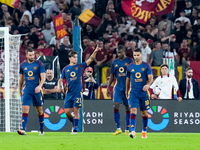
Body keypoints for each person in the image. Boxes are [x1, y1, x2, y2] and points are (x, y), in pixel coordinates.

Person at [58, 45, 101, 134]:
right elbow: (61, 79)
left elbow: (90, 59)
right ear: (70, 58)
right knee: (67, 112)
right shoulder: (66, 69)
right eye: (74, 57)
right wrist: (60, 86)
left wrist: (95, 51)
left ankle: (75, 129)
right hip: (69, 93)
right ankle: (74, 123)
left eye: (77, 57)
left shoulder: (80, 66)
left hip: (77, 92)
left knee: (76, 110)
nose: (76, 59)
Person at [18, 47, 46, 135]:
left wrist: (40, 86)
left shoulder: (39, 64)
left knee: (39, 110)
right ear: (26, 55)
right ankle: (23, 129)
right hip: (27, 90)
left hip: (37, 90)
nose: (32, 56)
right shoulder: (22, 65)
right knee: (25, 109)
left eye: (33, 54)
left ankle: (41, 129)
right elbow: (21, 79)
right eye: (30, 55)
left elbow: (43, 77)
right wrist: (20, 90)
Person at [126, 48, 153, 139]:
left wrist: (148, 85)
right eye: (134, 55)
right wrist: (126, 91)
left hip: (143, 93)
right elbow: (128, 80)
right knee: (133, 110)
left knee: (144, 113)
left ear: (141, 55)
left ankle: (144, 131)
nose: (136, 57)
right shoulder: (129, 66)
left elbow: (150, 78)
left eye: (138, 55)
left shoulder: (146, 66)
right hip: (133, 93)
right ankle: (133, 131)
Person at [106, 45, 133, 136]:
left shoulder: (129, 61)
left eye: (120, 52)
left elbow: (133, 73)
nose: (118, 54)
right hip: (118, 87)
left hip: (127, 88)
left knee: (127, 107)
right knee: (116, 106)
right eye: (117, 52)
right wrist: (108, 88)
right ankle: (118, 128)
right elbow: (112, 75)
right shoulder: (115, 62)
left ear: (124, 52)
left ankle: (127, 129)